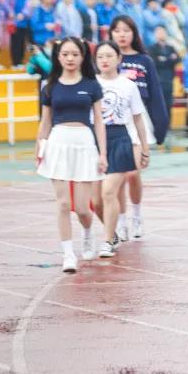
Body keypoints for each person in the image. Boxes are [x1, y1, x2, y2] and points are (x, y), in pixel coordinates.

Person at [34, 37, 107, 273]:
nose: (70, 58)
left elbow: (99, 122)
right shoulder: (50, 87)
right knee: (63, 203)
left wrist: (103, 153)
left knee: (83, 208)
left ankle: (87, 232)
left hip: (84, 143)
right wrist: (39, 147)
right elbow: (45, 121)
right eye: (65, 54)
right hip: (58, 143)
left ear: (82, 57)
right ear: (58, 57)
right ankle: (68, 254)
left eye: (75, 54)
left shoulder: (92, 85)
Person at [109, 16, 169, 240]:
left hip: (138, 120)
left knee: (133, 173)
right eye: (117, 30)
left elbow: (155, 94)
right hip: (114, 120)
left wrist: (161, 125)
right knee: (118, 175)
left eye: (126, 30)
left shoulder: (144, 61)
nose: (122, 34)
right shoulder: (106, 57)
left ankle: (136, 215)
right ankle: (121, 220)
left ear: (134, 33)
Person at [93, 41, 151, 258]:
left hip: (120, 139)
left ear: (119, 59)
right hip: (94, 140)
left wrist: (144, 148)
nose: (104, 60)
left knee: (109, 192)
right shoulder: (91, 83)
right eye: (100, 56)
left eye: (109, 56)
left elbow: (138, 118)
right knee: (96, 202)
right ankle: (114, 233)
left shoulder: (128, 85)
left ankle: (108, 241)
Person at [148, 26, 180, 122]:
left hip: (169, 80)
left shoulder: (171, 47)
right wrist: (169, 59)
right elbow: (155, 62)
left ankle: (168, 125)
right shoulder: (152, 48)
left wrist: (164, 59)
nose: (161, 34)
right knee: (157, 104)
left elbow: (178, 59)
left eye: (163, 32)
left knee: (168, 104)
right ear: (155, 34)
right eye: (159, 32)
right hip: (157, 80)